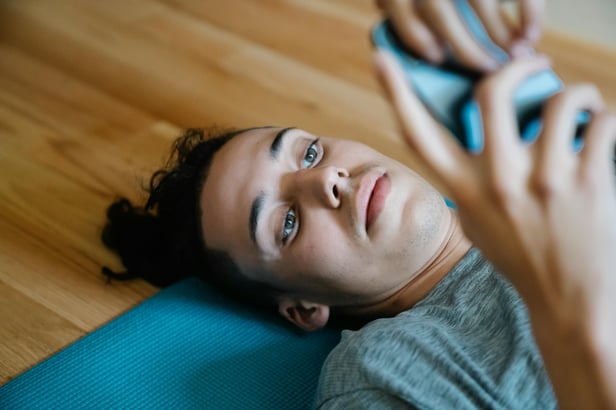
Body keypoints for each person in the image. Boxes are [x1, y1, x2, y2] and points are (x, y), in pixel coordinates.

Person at [101, 0, 616, 408]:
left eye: (308, 151)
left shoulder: (556, 184)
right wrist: (572, 322)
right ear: (304, 308)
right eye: (286, 223)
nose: (326, 179)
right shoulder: (381, 376)